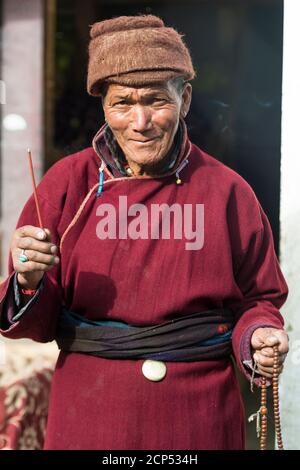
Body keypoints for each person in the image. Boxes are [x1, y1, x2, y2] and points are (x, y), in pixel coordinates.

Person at [0, 15, 289, 450]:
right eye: (122, 104)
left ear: (185, 99)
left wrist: (259, 335)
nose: (140, 122)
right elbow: (37, 325)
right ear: (104, 107)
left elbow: (259, 298)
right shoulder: (67, 185)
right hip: (91, 411)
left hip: (198, 415)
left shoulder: (227, 191)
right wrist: (27, 279)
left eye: (156, 100)